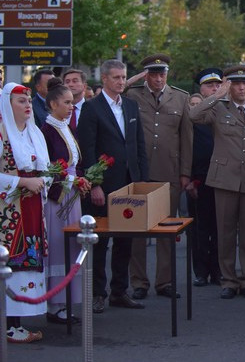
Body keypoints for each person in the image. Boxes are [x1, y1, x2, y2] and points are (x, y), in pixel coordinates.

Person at [189, 65, 245, 299]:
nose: (241, 87)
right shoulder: (218, 109)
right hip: (225, 180)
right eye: (236, 83)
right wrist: (218, 94)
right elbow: (194, 115)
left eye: (244, 83)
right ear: (229, 86)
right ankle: (228, 280)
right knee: (225, 233)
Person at [78, 59, 149, 314]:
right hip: (103, 186)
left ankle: (120, 291)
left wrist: (142, 181)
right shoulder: (91, 108)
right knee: (101, 242)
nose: (121, 81)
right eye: (116, 77)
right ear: (105, 79)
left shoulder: (131, 106)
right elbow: (87, 149)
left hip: (129, 184)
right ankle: (98, 293)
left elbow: (138, 145)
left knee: (125, 240)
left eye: (123, 77)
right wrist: (94, 184)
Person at [125, 54, 193, 300]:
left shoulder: (181, 97)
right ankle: (139, 282)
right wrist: (133, 80)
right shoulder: (132, 95)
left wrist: (185, 172)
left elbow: (187, 138)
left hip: (169, 172)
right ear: (146, 75)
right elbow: (113, 94)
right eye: (152, 74)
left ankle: (164, 281)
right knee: (137, 231)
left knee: (166, 231)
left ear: (167, 74)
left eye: (161, 74)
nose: (157, 78)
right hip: (140, 173)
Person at [1, 83, 49, 343]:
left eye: (29, 100)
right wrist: (21, 182)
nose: (28, 105)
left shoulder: (34, 133)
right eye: (21, 101)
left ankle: (16, 323)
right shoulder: (1, 134)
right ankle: (8, 325)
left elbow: (44, 167)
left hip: (32, 209)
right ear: (8, 104)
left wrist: (45, 180)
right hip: (8, 213)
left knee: (26, 261)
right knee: (9, 262)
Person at [41, 78, 90, 326]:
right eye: (67, 102)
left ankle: (67, 301)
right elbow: (47, 166)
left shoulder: (65, 127)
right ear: (52, 104)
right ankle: (55, 304)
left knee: (71, 247)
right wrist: (73, 180)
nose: (71, 106)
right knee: (59, 246)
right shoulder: (46, 130)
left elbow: (75, 162)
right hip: (57, 196)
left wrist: (82, 178)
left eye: (72, 102)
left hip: (71, 194)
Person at [186, 69, 224, 287]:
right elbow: (187, 148)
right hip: (199, 177)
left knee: (221, 227)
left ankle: (218, 270)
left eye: (218, 85)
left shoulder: (225, 111)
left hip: (221, 177)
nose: (215, 89)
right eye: (210, 86)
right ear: (201, 89)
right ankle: (200, 271)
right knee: (200, 227)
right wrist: (189, 177)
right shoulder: (196, 112)